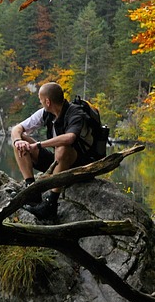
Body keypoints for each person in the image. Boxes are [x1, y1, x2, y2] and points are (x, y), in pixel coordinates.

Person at [9, 81, 94, 220]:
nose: (40, 102)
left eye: (41, 100)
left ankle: (51, 204)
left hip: (78, 164)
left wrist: (38, 145)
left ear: (47, 101)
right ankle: (32, 191)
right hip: (57, 162)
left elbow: (69, 138)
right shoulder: (45, 113)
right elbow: (17, 129)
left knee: (62, 147)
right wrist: (18, 141)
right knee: (21, 141)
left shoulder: (75, 113)